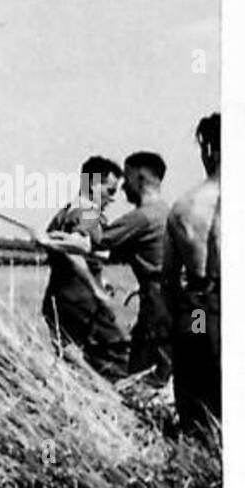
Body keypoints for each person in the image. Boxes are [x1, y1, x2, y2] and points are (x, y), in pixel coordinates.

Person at [40, 155, 129, 379]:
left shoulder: (66, 211)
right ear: (92, 184)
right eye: (110, 190)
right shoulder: (89, 211)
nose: (113, 198)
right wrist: (97, 290)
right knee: (117, 356)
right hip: (82, 302)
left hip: (58, 300)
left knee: (71, 368)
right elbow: (74, 253)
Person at [163, 113, 221, 435]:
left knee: (198, 376)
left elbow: (168, 278)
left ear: (209, 150)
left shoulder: (182, 205)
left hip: (199, 307)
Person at [91, 151, 172, 380]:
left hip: (157, 308)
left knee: (141, 370)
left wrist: (89, 199)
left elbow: (96, 239)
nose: (123, 188)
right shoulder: (170, 212)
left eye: (126, 179)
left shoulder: (141, 218)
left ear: (140, 178)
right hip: (191, 308)